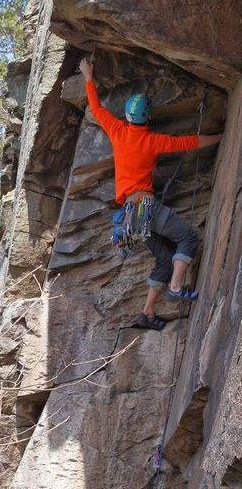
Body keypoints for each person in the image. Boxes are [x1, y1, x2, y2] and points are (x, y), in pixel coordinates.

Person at [79, 57, 221, 330]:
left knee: (165, 258)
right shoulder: (153, 141)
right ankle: (176, 287)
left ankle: (147, 312)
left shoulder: (117, 131)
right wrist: (221, 138)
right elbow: (191, 141)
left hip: (130, 218)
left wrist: (88, 75)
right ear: (149, 117)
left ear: (127, 116)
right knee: (188, 238)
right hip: (146, 208)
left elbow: (95, 108)